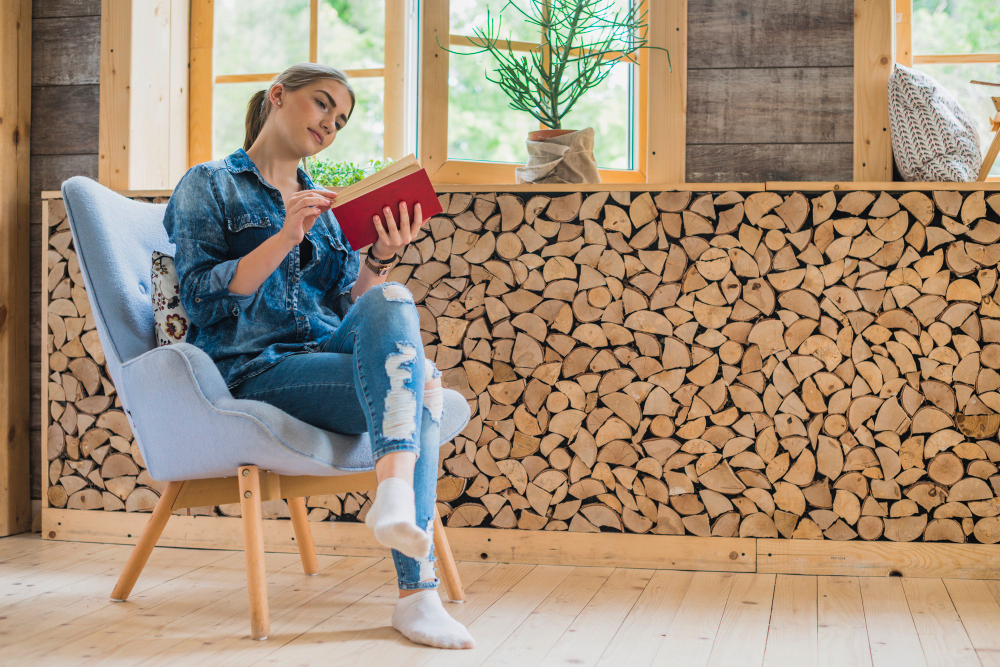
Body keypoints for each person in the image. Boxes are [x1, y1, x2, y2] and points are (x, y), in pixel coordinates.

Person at [161, 63, 475, 650]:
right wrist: (282, 236)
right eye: (322, 104)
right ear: (278, 96)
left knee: (391, 297)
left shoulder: (326, 208)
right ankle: (419, 593)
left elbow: (349, 314)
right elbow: (203, 302)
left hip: (323, 357)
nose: (331, 123)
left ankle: (394, 499)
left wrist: (379, 257)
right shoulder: (209, 184)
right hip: (257, 369)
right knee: (423, 388)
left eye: (342, 119)